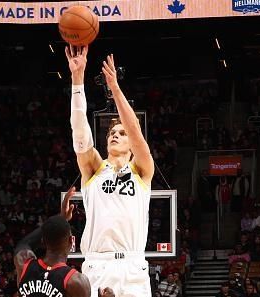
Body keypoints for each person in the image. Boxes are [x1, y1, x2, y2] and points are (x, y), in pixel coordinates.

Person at [65, 45, 154, 297]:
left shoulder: (142, 169)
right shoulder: (94, 168)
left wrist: (115, 88)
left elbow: (135, 130)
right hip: (97, 264)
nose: (116, 135)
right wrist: (77, 78)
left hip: (133, 265)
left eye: (121, 133)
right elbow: (80, 132)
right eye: (112, 133)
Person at [13, 188, 115, 297]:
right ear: (71, 241)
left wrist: (60, 218)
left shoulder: (23, 264)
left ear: (43, 241)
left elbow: (25, 242)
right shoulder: (75, 281)